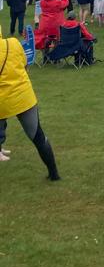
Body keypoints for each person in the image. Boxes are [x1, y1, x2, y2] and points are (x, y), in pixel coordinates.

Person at [0, 24, 60, 177]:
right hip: (23, 96)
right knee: (38, 136)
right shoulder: (13, 43)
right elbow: (25, 66)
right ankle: (54, 173)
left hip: (2, 102)